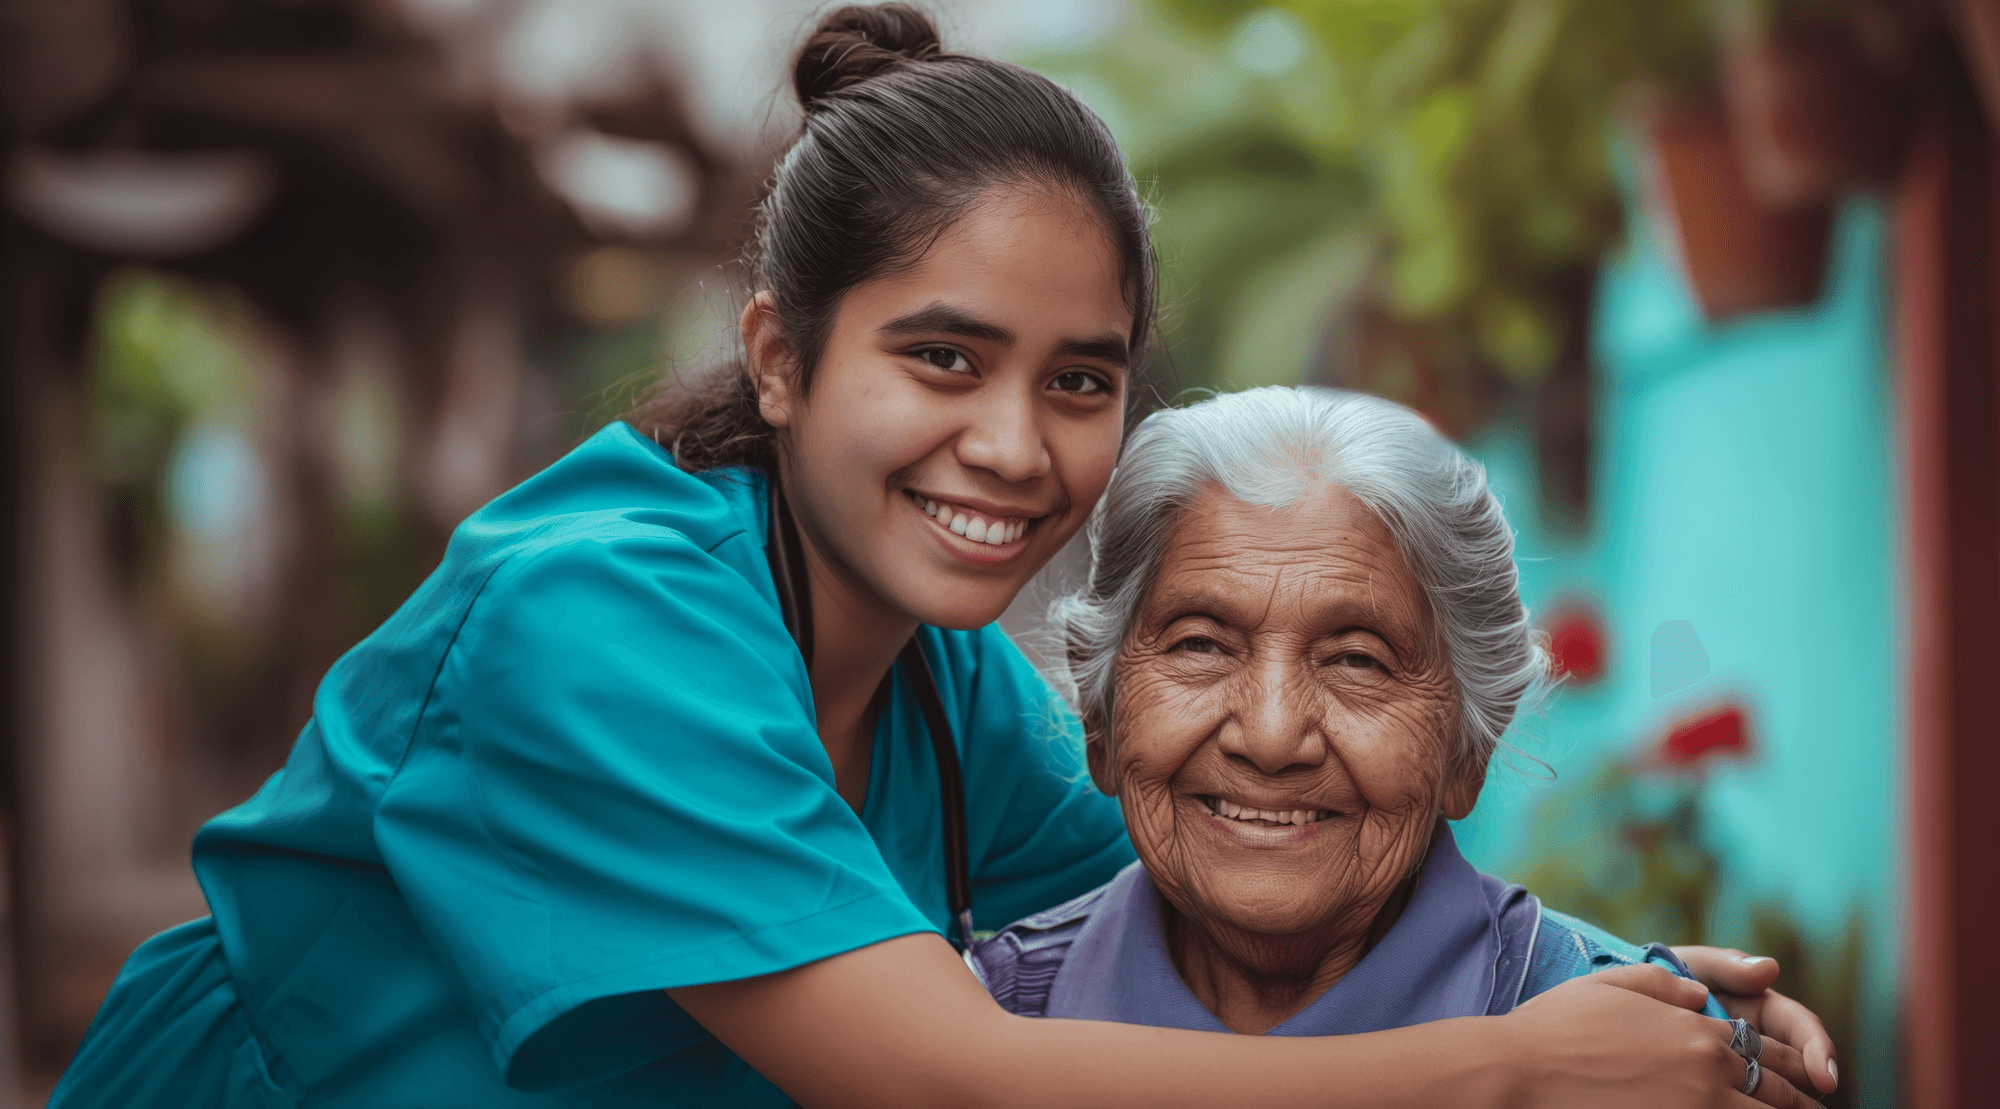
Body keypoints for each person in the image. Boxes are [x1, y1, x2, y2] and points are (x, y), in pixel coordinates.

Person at [50, 6, 1837, 1107]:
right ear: (779, 356)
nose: (1014, 445)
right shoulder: (595, 619)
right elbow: (952, 1073)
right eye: (942, 358)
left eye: (1081, 382)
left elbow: (1238, 855)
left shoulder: (944, 689)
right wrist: (1521, 1069)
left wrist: (1655, 988)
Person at [973, 387, 1774, 1096]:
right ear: (1102, 718)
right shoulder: (983, 1021)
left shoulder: (1646, 1056)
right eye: (1200, 644)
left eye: (1358, 659)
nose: (1273, 733)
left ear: (1469, 748)